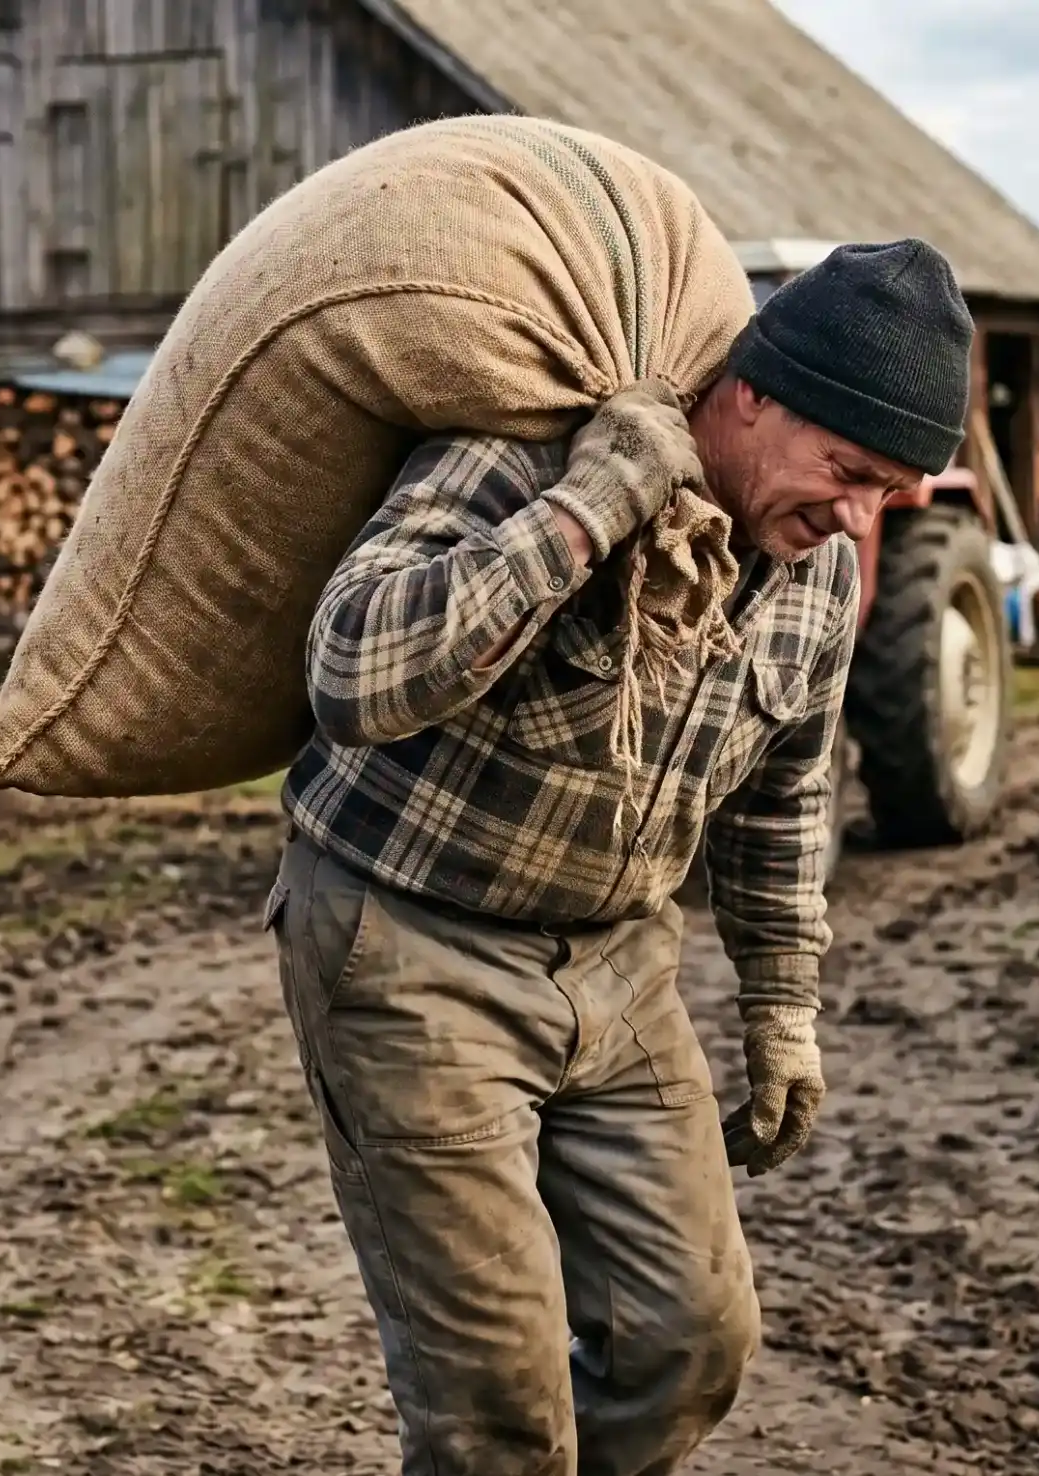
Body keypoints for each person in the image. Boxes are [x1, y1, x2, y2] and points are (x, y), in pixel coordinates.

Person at [266, 240, 975, 1476]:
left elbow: (784, 794)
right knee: (495, 1403)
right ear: (752, 395)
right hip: (407, 945)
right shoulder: (523, 458)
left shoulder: (819, 576)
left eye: (890, 494)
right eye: (847, 472)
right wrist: (592, 509)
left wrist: (782, 1009)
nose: (854, 518)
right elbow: (350, 674)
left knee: (687, 1341)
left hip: (617, 963)